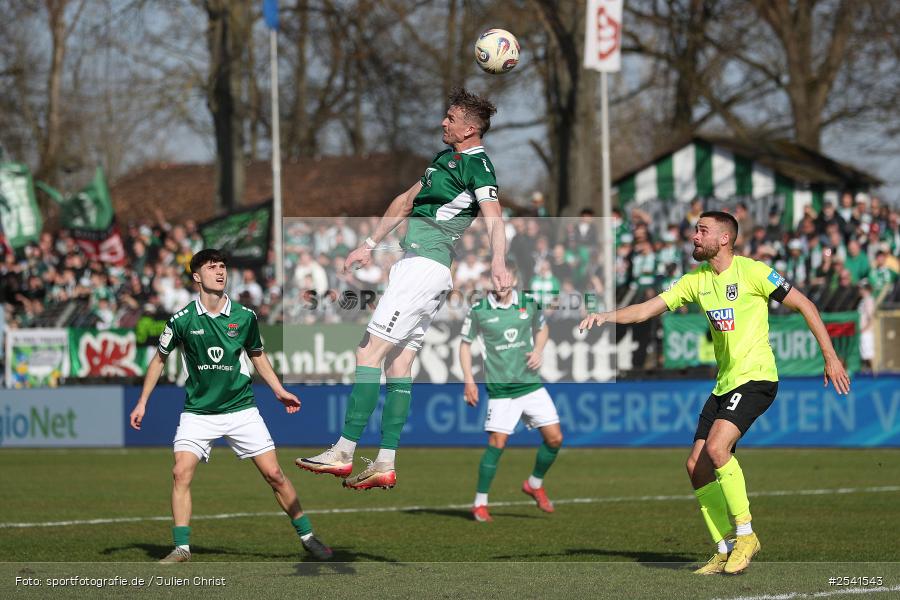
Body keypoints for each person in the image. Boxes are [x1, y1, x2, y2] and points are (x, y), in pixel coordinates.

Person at [580, 212, 850, 575]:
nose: (694, 236)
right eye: (695, 230)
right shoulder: (696, 280)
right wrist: (605, 316)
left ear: (724, 239)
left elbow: (806, 304)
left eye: (702, 230)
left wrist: (830, 357)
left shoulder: (754, 272)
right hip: (725, 383)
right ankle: (724, 548)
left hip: (756, 378)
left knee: (717, 449)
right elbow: (645, 310)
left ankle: (746, 535)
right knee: (695, 465)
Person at [296, 87, 513, 490]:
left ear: (469, 129)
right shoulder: (444, 160)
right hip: (419, 267)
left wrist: (498, 260)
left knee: (367, 352)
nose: (443, 122)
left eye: (450, 118)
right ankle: (385, 463)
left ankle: (343, 450)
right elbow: (405, 201)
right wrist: (368, 244)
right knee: (398, 364)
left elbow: (494, 217)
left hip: (424, 268)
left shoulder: (479, 166)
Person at [129, 249, 332, 563]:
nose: (220, 271)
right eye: (212, 267)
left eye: (222, 266)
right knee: (180, 472)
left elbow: (257, 356)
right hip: (198, 412)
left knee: (275, 474)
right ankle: (181, 548)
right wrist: (142, 402)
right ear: (197, 276)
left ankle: (308, 536)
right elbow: (158, 360)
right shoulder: (182, 320)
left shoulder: (244, 316)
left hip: (241, 409)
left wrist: (278, 390)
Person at [459, 265, 562, 522]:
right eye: (497, 278)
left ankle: (534, 484)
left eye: (506, 278)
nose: (501, 282)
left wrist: (538, 350)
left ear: (514, 279)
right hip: (501, 390)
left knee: (555, 439)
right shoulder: (479, 310)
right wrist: (469, 380)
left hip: (530, 384)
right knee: (497, 443)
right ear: (490, 281)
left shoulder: (528, 303)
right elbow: (465, 345)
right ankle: (479, 504)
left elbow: (543, 328)